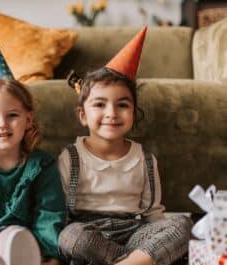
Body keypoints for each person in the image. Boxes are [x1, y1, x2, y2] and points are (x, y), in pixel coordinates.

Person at [57, 27, 192, 265]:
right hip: (89, 234)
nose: (111, 113)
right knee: (70, 236)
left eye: (122, 105)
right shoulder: (71, 157)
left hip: (134, 233)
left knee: (183, 224)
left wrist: (160, 241)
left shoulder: (144, 158)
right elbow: (61, 213)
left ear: (133, 111)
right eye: (100, 104)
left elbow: (153, 214)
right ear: (82, 115)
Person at [0, 32, 66, 265]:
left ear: (28, 120)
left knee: (15, 238)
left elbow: (48, 216)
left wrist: (50, 256)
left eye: (12, 115)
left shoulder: (42, 165)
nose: (2, 125)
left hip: (27, 244)